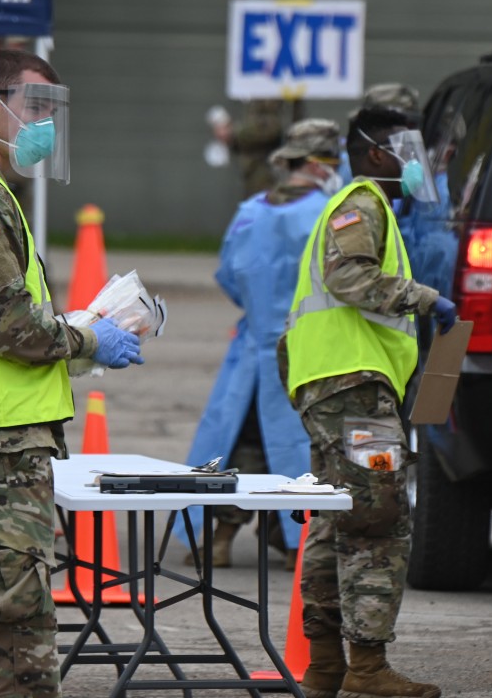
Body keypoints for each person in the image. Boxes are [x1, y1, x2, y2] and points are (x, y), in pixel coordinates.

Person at [0, 48, 144, 698]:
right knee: (14, 634)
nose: (46, 125)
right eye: (36, 108)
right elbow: (9, 327)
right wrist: (89, 335)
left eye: (51, 112)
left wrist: (75, 337)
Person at [281, 105, 456, 698]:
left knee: (337, 523)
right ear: (378, 155)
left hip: (334, 387)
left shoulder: (365, 207)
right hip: (353, 389)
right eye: (407, 149)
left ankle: (327, 666)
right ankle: (367, 668)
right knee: (378, 520)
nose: (416, 163)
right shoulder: (361, 206)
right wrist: (424, 298)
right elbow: (349, 279)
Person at [180, 119, 343, 571]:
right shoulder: (328, 212)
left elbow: (229, 274)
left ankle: (221, 534)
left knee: (242, 439)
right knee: (302, 445)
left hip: (252, 350)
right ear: (318, 164)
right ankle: (297, 542)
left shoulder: (251, 210)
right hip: (307, 350)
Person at [213, 98, 306, 197]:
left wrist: (234, 134)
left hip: (271, 175)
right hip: (256, 176)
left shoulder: (274, 96)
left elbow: (274, 129)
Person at [337, 83, 421, 185]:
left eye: (411, 125)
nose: (405, 132)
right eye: (394, 125)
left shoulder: (422, 164)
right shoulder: (352, 168)